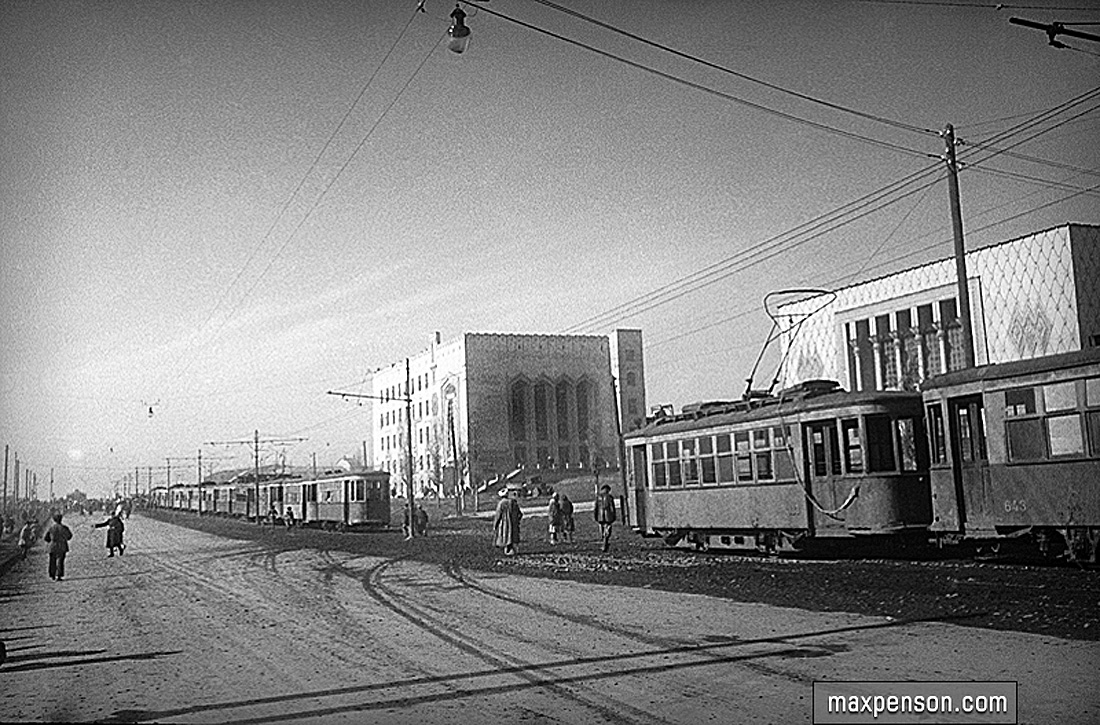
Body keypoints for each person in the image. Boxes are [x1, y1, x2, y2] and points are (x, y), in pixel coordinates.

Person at [493, 487, 523, 555]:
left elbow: (498, 515)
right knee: (513, 536)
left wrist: (495, 525)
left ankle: (508, 550)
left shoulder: (501, 504)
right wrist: (517, 521)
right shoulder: (513, 502)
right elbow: (520, 514)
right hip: (513, 523)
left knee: (505, 536)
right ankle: (513, 550)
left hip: (504, 524)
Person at [44, 513, 73, 581]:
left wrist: (50, 540)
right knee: (60, 561)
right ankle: (59, 576)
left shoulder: (51, 528)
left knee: (52, 561)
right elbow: (69, 536)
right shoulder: (65, 528)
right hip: (62, 546)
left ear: (54, 520)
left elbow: (46, 538)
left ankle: (52, 575)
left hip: (52, 546)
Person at [594, 484, 617, 553]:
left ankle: (604, 544)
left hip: (600, 517)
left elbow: (596, 508)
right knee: (607, 532)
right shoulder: (610, 497)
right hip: (608, 517)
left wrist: (595, 516)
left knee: (603, 531)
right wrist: (614, 516)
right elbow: (612, 508)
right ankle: (605, 544)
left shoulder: (598, 498)